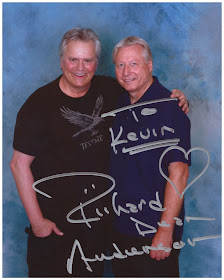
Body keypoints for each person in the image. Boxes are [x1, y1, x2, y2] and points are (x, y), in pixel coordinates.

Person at [10, 27, 189, 277]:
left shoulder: (110, 91)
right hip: (56, 229)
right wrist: (38, 222)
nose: (80, 68)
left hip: (102, 230)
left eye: (88, 60)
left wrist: (176, 100)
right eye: (73, 59)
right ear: (62, 61)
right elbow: (19, 165)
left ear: (96, 63)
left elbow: (177, 168)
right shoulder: (38, 105)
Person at [109, 36, 191, 277]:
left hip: (154, 232)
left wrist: (165, 230)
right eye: (120, 65)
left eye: (133, 64)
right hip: (121, 228)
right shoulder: (121, 103)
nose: (126, 72)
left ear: (150, 65)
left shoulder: (170, 108)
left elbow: (180, 173)